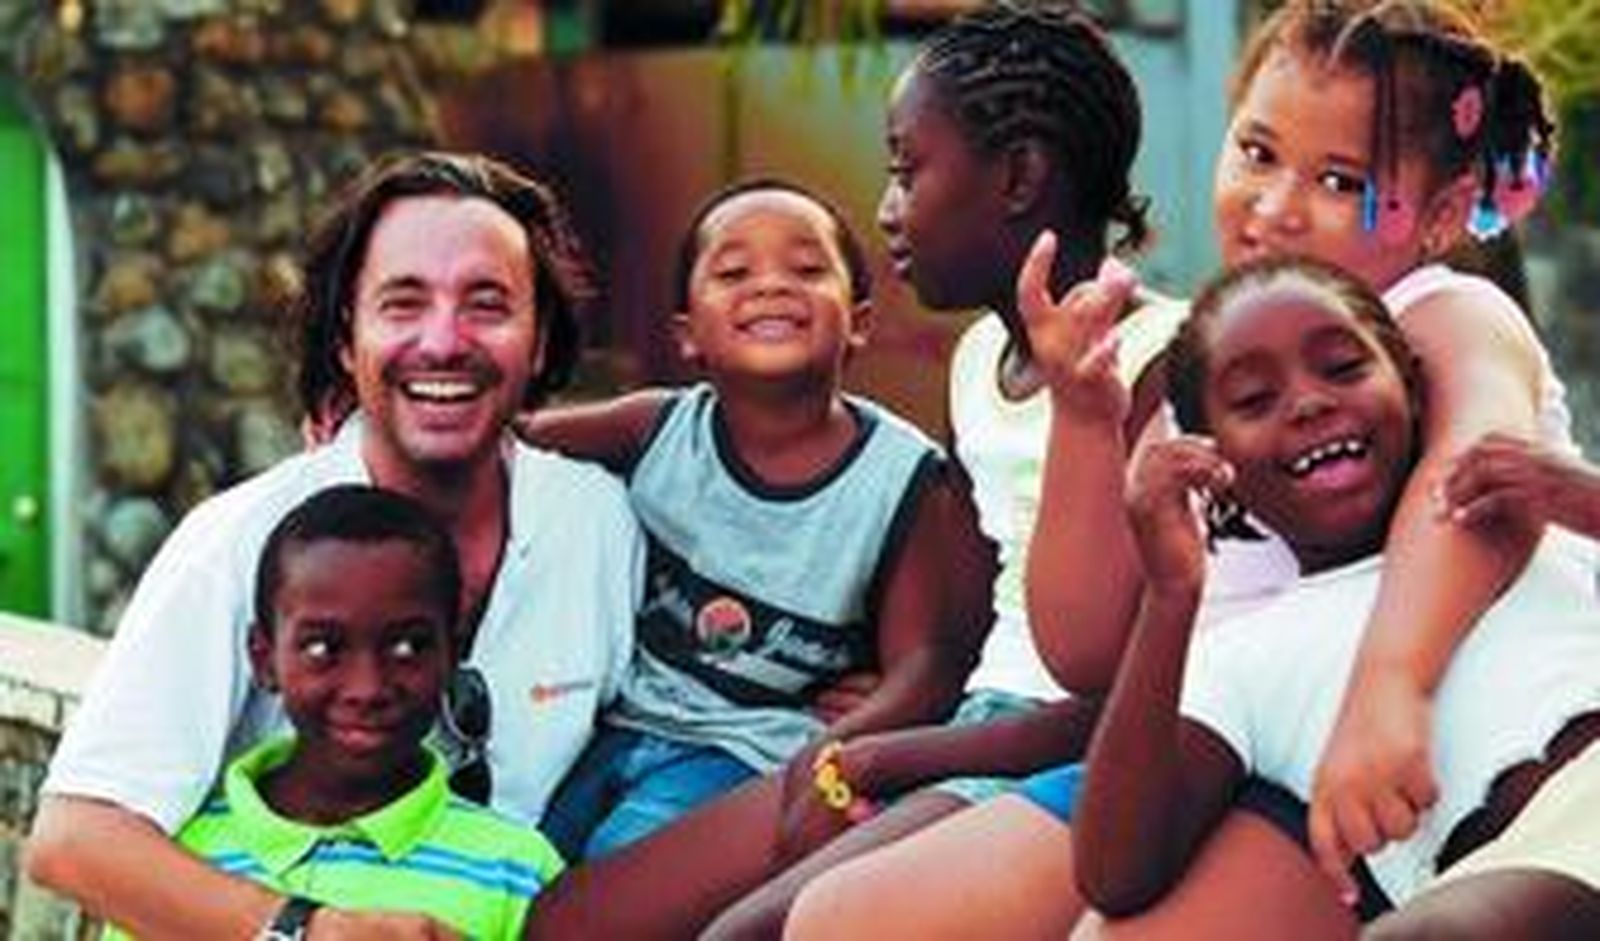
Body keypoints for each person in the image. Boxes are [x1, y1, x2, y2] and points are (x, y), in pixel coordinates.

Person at [783, 1, 1586, 934]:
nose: (1276, 204)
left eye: (1337, 179)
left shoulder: (1442, 316)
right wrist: (1088, 423)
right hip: (1230, 749)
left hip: (1401, 751)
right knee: (843, 919)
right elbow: (1084, 650)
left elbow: (1477, 485)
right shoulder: (1209, 375)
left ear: (1443, 212)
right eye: (1255, 152)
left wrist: (1390, 688)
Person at [25, 151, 643, 940]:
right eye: (402, 303)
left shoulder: (597, 523)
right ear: (346, 338)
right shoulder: (239, 539)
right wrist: (310, 930)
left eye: (487, 304)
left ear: (541, 336)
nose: (444, 341)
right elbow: (76, 839)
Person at [696, 4, 1190, 937]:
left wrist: (895, 757)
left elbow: (1133, 678)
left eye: (905, 169)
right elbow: (972, 605)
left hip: (1068, 748)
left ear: (1017, 177)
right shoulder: (974, 363)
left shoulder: (1160, 360)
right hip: (975, 725)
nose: (886, 208)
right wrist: (882, 704)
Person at [517, 178, 988, 863]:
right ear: (686, 334)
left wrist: (851, 731)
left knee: (614, 869)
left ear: (858, 320)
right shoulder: (656, 428)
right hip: (610, 727)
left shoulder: (902, 477)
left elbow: (922, 663)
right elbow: (511, 442)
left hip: (749, 754)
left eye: (806, 268)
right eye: (734, 271)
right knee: (524, 861)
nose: (770, 286)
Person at [105, 485, 566, 940]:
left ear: (453, 651)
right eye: (323, 647)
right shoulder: (180, 862)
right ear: (264, 659)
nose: (367, 688)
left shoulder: (518, 872)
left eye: (407, 646)